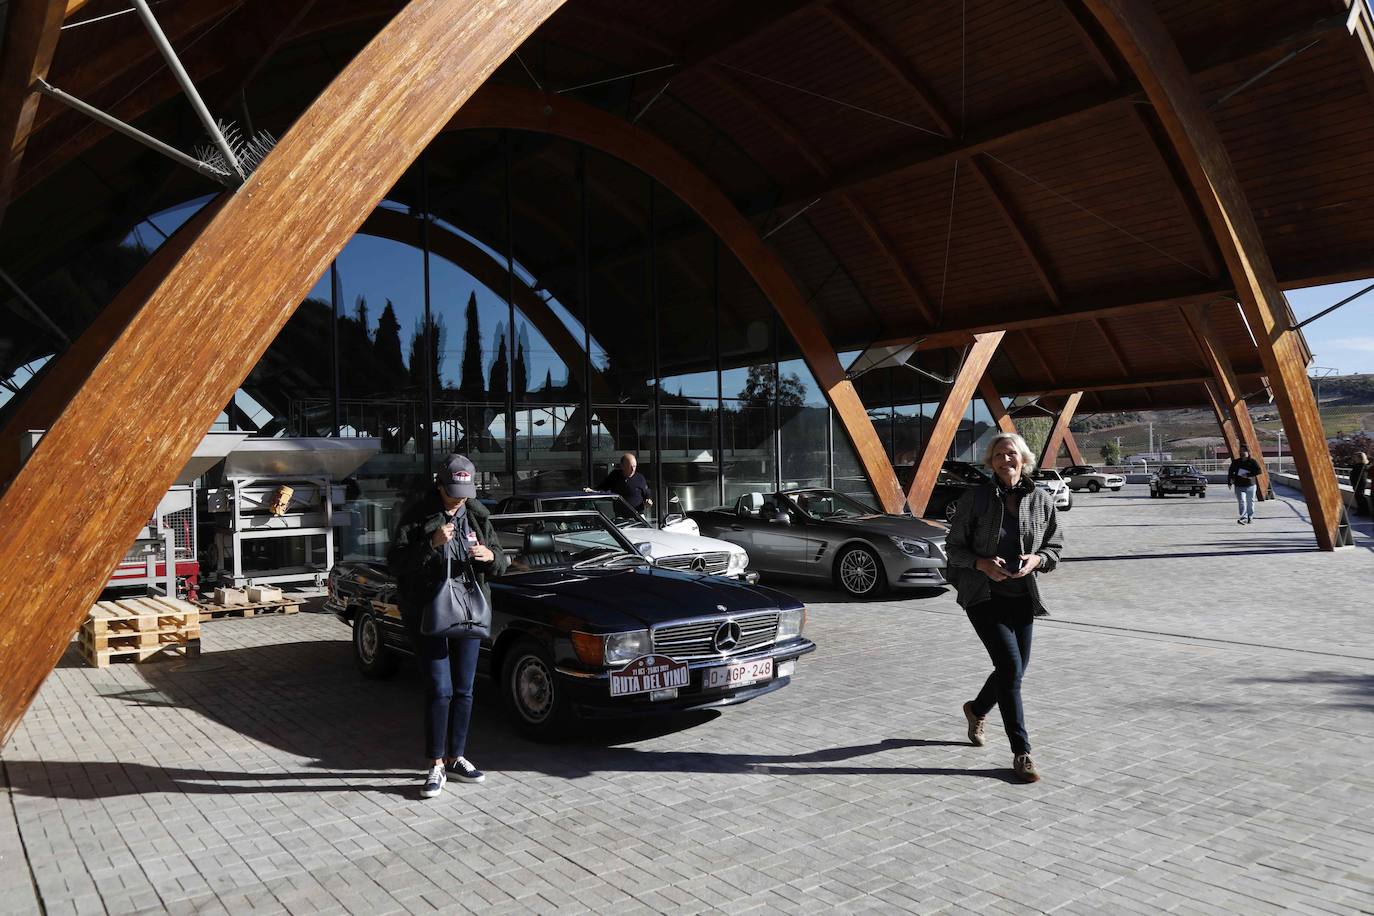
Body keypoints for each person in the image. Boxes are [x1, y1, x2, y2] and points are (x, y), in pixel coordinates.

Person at [945, 433, 1063, 784]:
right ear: (990, 462)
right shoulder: (975, 498)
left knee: (1014, 670)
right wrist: (981, 563)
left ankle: (976, 709)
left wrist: (1037, 560)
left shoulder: (1041, 499)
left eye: (1011, 453)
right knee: (1011, 667)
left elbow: (1055, 546)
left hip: (1022, 595)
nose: (1005, 460)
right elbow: (953, 547)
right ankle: (1021, 752)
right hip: (983, 595)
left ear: (1023, 459)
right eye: (998, 455)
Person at [387, 454, 507, 799]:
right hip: (429, 612)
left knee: (465, 689)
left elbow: (501, 562)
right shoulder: (417, 515)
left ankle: (456, 757)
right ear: (440, 485)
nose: (459, 499)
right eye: (454, 492)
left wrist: (491, 558)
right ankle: (436, 763)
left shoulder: (477, 516)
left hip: (469, 611)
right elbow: (395, 562)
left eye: (465, 493)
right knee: (441, 689)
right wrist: (430, 544)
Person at [586, 452, 653, 512]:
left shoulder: (640, 478)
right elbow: (603, 487)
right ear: (622, 466)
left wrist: (648, 501)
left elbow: (647, 494)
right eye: (630, 467)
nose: (633, 469)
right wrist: (592, 491)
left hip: (638, 514)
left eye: (634, 466)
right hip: (620, 515)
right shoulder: (615, 476)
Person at [1227, 446, 1264, 524]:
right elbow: (1230, 472)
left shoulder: (1252, 461)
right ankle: (1244, 517)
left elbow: (1259, 471)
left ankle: (1250, 517)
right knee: (1242, 501)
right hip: (1239, 485)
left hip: (1251, 485)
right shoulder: (1236, 462)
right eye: (1241, 450)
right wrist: (1229, 482)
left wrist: (1248, 475)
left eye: (1244, 450)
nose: (1242, 452)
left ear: (1248, 452)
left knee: (1250, 502)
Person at [1351, 452, 1370, 518]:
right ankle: (1360, 510)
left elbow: (1362, 474)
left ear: (1360, 458)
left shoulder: (1363, 465)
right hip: (1356, 482)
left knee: (1360, 496)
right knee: (1357, 496)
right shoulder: (1357, 465)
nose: (1354, 458)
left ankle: (1365, 511)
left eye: (1356, 457)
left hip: (1360, 482)